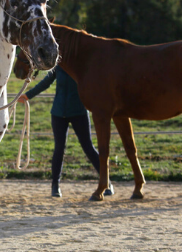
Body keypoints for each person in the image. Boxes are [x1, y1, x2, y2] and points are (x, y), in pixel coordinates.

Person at [18, 66, 114, 197]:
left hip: (79, 112)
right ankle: (55, 185)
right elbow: (46, 82)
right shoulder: (59, 66)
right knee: (59, 148)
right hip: (59, 113)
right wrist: (28, 95)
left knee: (88, 147)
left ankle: (106, 181)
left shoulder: (81, 65)